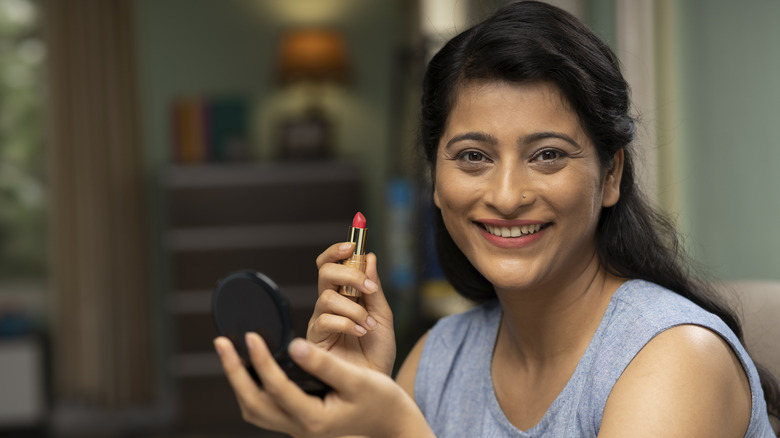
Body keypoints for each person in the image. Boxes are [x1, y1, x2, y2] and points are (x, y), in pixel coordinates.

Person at [214, 1, 780, 436]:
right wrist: (343, 413)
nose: (507, 196)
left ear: (611, 177)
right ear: (435, 180)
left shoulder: (678, 359)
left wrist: (399, 428)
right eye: (474, 157)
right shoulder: (441, 355)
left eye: (548, 155)